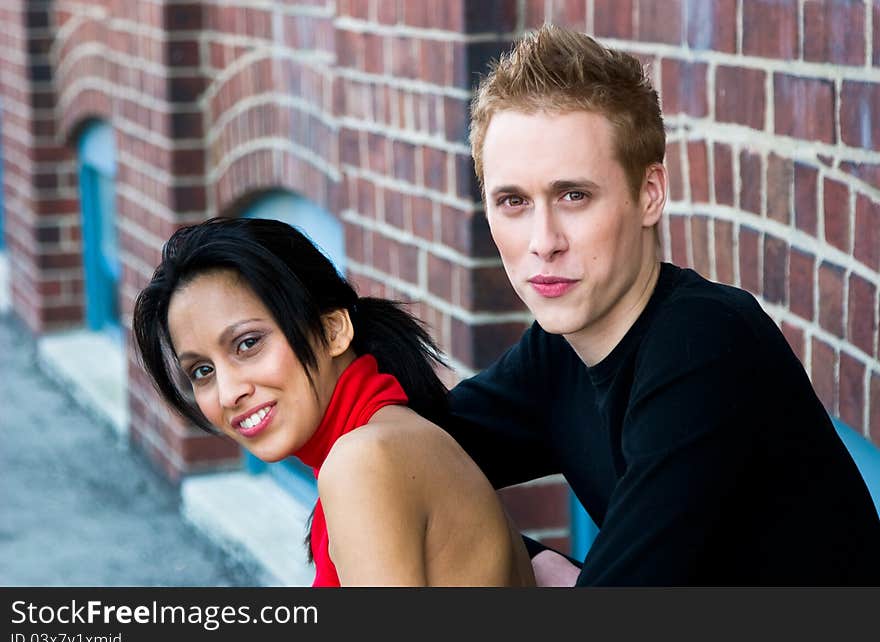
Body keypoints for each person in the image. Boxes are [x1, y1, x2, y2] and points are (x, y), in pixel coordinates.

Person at [442, 24, 880, 585]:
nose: (543, 240)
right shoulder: (556, 356)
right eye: (513, 201)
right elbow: (407, 454)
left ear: (650, 193)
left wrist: (538, 569)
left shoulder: (705, 346)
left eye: (573, 195)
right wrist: (526, 557)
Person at [132, 217, 534, 587]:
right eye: (202, 371)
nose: (227, 392)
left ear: (332, 331)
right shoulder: (393, 438)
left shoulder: (364, 460)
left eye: (248, 344)